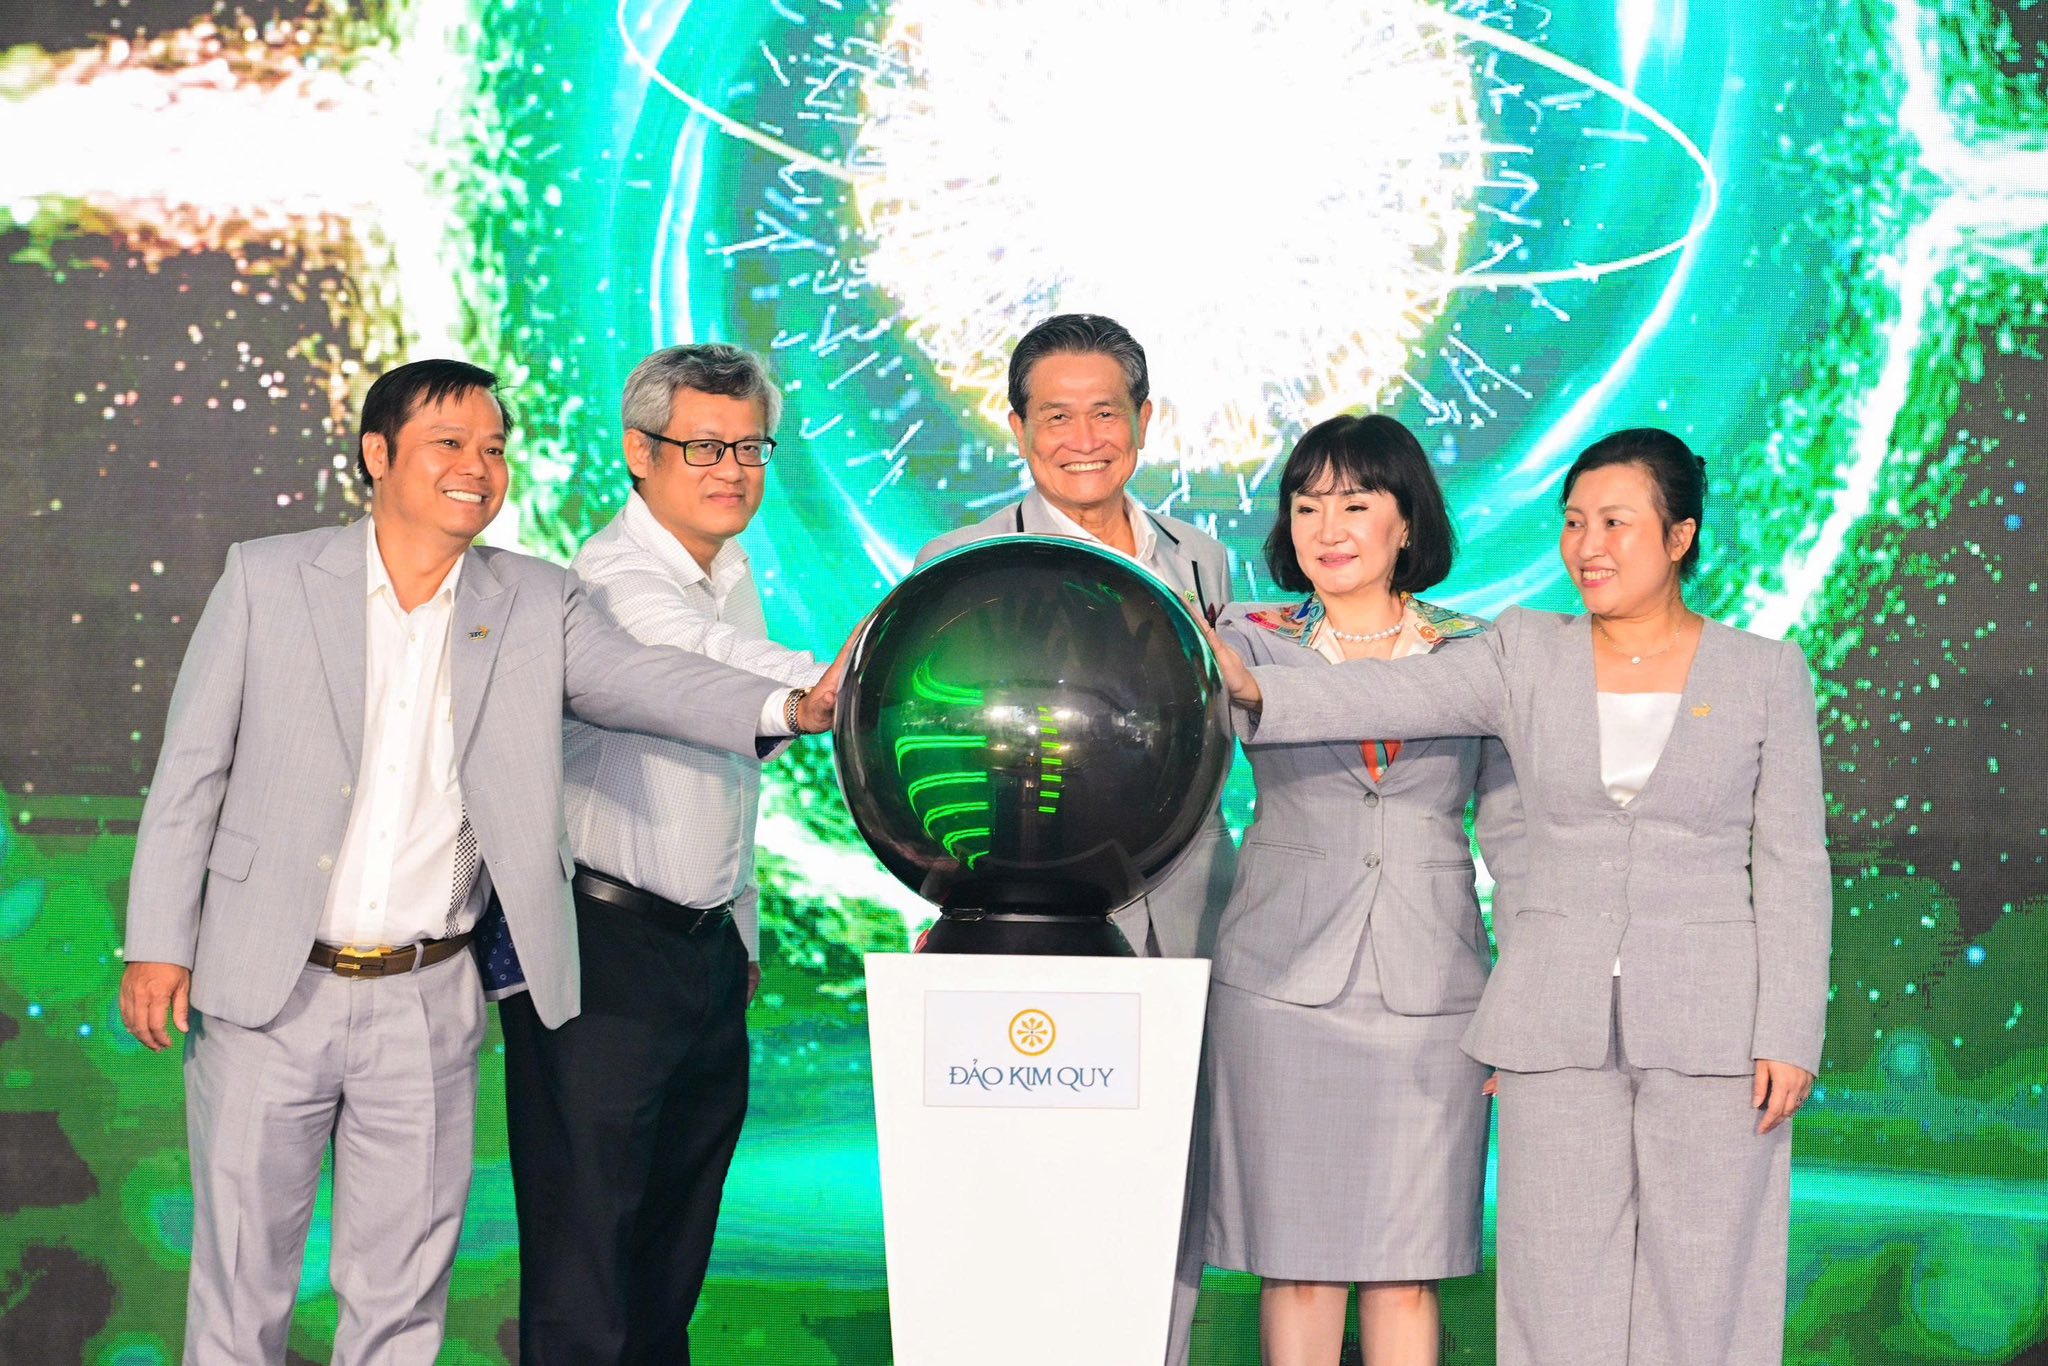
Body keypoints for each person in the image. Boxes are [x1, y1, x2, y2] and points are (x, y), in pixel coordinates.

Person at [116, 359, 841, 1365]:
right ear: (377, 455)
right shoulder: (268, 577)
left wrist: (791, 704)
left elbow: (646, 680)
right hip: (269, 988)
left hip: (427, 997)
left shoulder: (536, 599)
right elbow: (190, 772)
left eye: (494, 448)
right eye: (449, 445)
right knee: (242, 1288)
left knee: (401, 1302)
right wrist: (157, 941)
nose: (477, 467)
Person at [1207, 428, 1830, 1366]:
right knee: (1554, 1282)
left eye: (1615, 523)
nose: (1589, 546)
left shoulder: (1763, 671)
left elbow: (1792, 862)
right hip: (1554, 1023)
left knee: (1707, 1279)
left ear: (1680, 537)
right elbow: (1387, 699)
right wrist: (1258, 689)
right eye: (1575, 522)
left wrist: (1789, 1030)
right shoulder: (1524, 650)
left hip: (1712, 1020)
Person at [500, 345, 827, 1363]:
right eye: (704, 447)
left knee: (668, 1265)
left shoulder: (728, 571)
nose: (732, 470)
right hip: (601, 949)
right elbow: (695, 664)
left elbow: (723, 780)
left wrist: (740, 931)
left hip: (701, 952)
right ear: (640, 452)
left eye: (750, 448)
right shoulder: (608, 578)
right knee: (586, 1263)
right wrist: (825, 684)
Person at [1199, 414, 1519, 1366]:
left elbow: (1515, 837)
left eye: (1354, 503)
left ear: (1406, 520)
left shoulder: (1483, 649)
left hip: (1432, 994)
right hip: (1279, 987)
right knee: (1296, 1268)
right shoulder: (1245, 639)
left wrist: (1525, 996)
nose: (1327, 528)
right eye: (1306, 507)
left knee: (1407, 1271)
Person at [914, 312, 1235, 960]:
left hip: (1194, 901)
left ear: (1144, 420)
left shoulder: (1201, 555)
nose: (1084, 440)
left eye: (1105, 413)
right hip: (1030, 908)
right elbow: (930, 747)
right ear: (1019, 429)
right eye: (1057, 416)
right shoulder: (962, 563)